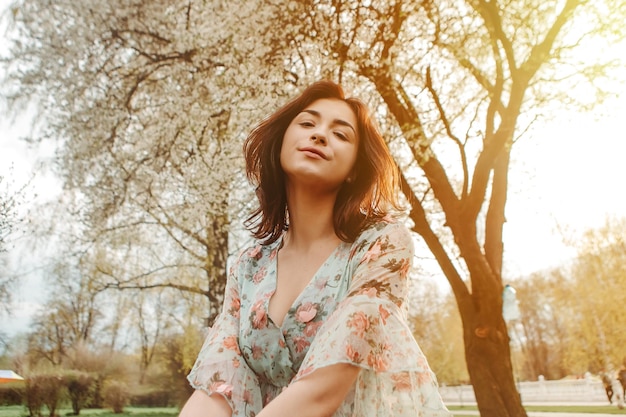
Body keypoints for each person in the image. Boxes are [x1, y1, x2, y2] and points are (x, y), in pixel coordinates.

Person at [179, 80, 451, 417]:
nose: (320, 135)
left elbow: (322, 390)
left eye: (341, 134)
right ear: (281, 145)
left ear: (354, 170)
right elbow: (217, 386)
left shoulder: (381, 246)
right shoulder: (249, 267)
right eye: (308, 124)